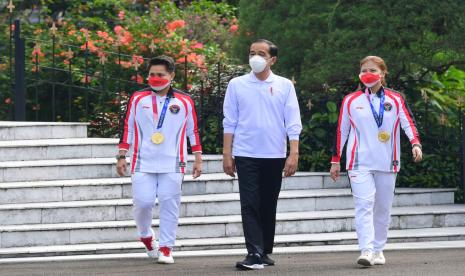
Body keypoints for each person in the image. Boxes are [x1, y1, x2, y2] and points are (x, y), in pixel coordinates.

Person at [330, 55, 423, 266]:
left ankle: (379, 248)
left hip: (387, 162)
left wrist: (415, 143)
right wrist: (336, 159)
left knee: (382, 207)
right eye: (363, 70)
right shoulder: (351, 100)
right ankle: (366, 250)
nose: (367, 74)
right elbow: (341, 131)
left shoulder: (395, 98)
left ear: (383, 73)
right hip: (358, 161)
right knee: (364, 204)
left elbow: (408, 122)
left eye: (372, 70)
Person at [223, 39, 302, 270]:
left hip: (274, 153)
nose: (255, 57)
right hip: (246, 153)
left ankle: (265, 250)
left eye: (261, 53)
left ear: (272, 59)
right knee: (249, 203)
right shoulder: (237, 85)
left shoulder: (285, 85)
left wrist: (293, 153)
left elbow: (293, 121)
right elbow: (230, 121)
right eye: (251, 53)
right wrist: (227, 154)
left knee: (268, 203)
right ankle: (254, 252)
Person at [116, 55, 202, 264]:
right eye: (151, 74)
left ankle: (165, 247)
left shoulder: (184, 100)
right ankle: (146, 236)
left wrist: (198, 158)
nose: (155, 78)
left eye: (160, 75)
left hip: (173, 161)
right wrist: (121, 155)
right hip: (141, 160)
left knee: (169, 202)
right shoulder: (138, 98)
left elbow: (193, 131)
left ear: (171, 75)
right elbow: (128, 128)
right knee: (143, 202)